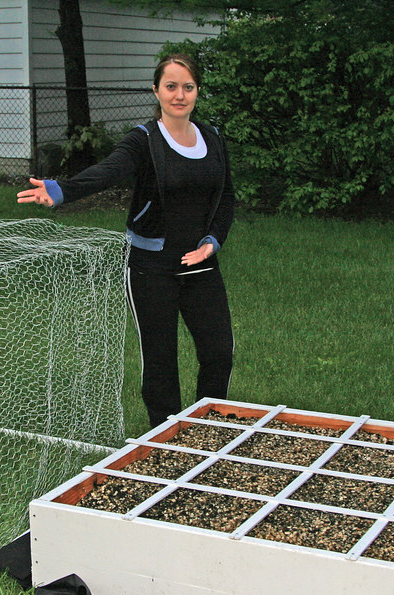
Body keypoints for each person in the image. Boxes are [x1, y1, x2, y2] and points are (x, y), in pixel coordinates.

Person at [17, 54, 236, 428]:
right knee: (160, 360)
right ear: (156, 90)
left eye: (188, 87)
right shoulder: (144, 140)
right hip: (151, 267)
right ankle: (165, 440)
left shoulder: (212, 139)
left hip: (201, 265)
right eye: (171, 86)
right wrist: (62, 190)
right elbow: (109, 170)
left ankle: (208, 429)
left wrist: (212, 242)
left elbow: (226, 198)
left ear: (197, 91)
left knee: (219, 353)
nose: (179, 95)